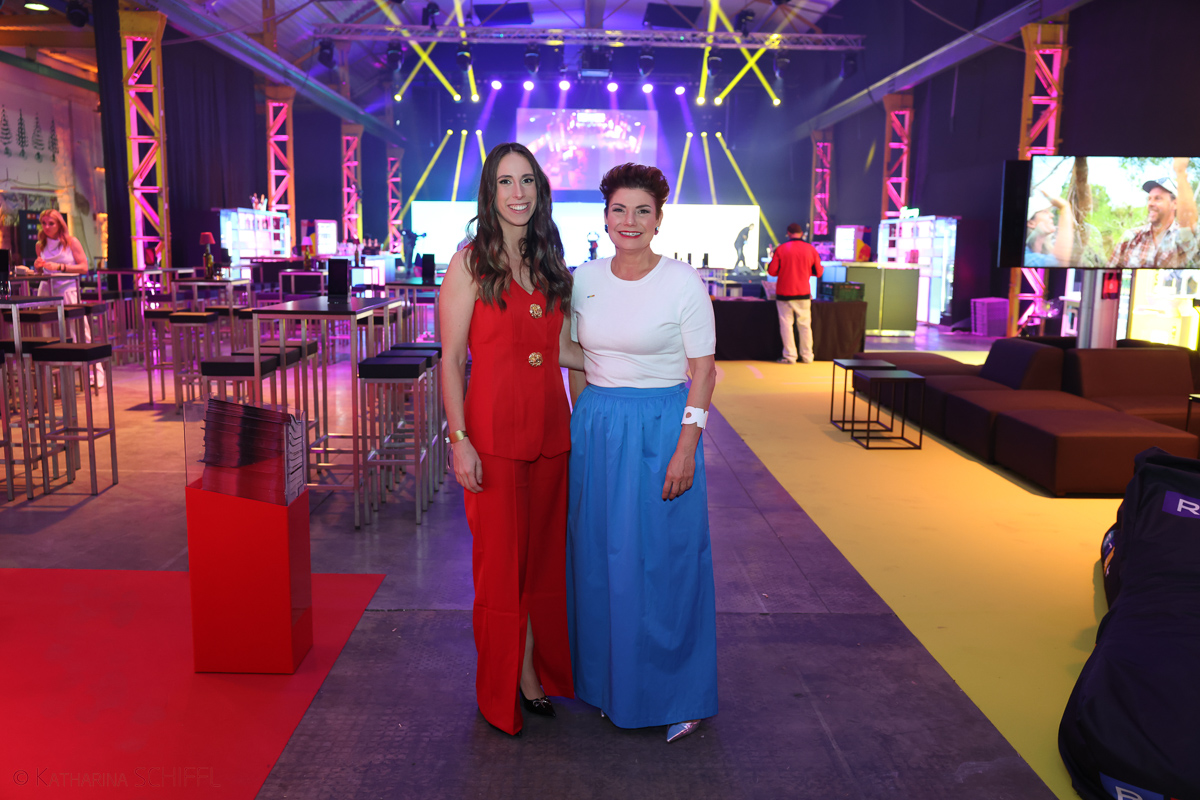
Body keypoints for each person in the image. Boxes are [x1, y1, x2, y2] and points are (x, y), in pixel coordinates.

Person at [566, 162, 719, 744]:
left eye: (642, 211)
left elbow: (704, 372)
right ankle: (611, 686)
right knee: (601, 561)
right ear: (605, 217)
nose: (629, 221)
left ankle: (682, 694)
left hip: (662, 427)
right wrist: (583, 418)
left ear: (659, 219)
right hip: (599, 427)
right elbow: (574, 354)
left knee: (666, 561)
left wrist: (687, 447)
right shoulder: (584, 277)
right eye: (619, 210)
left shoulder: (682, 281)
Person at [440, 142, 579, 736]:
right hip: (492, 438)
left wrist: (640, 363)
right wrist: (459, 439)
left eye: (526, 181)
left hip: (551, 432)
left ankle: (531, 672)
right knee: (499, 570)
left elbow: (564, 349)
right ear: (489, 192)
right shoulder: (469, 263)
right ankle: (504, 684)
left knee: (543, 565)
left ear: (539, 189)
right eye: (505, 181)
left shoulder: (549, 262)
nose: (517, 193)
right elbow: (451, 361)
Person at [1108, 158, 1199, 269]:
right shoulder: (1131, 237)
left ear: (1174, 204)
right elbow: (1109, 272)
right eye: (1149, 199)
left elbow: (1189, 220)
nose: (1150, 203)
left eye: (1158, 198)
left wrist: (1180, 171)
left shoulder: (1182, 237)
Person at [767, 223, 823, 364]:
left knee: (786, 325)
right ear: (801, 233)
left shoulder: (781, 249)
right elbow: (819, 272)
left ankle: (790, 356)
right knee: (805, 326)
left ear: (788, 233)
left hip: (784, 293)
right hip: (803, 293)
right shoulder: (810, 249)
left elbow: (772, 271)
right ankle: (807, 356)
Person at [1024, 190, 1075, 268]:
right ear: (1031, 223)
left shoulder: (1047, 249)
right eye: (1045, 212)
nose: (1051, 215)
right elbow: (1059, 263)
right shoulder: (1026, 258)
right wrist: (1064, 208)